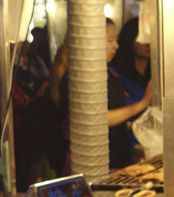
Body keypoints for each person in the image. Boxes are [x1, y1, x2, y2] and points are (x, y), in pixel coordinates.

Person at [59, 19, 152, 170]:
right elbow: (98, 119)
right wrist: (142, 103)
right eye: (110, 41)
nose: (116, 45)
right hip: (90, 163)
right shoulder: (78, 78)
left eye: (115, 40)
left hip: (117, 160)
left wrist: (135, 128)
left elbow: (116, 113)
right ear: (92, 41)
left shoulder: (110, 73)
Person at [111, 14, 151, 105]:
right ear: (129, 39)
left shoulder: (159, 73)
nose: (148, 43)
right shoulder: (116, 72)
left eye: (150, 37)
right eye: (142, 38)